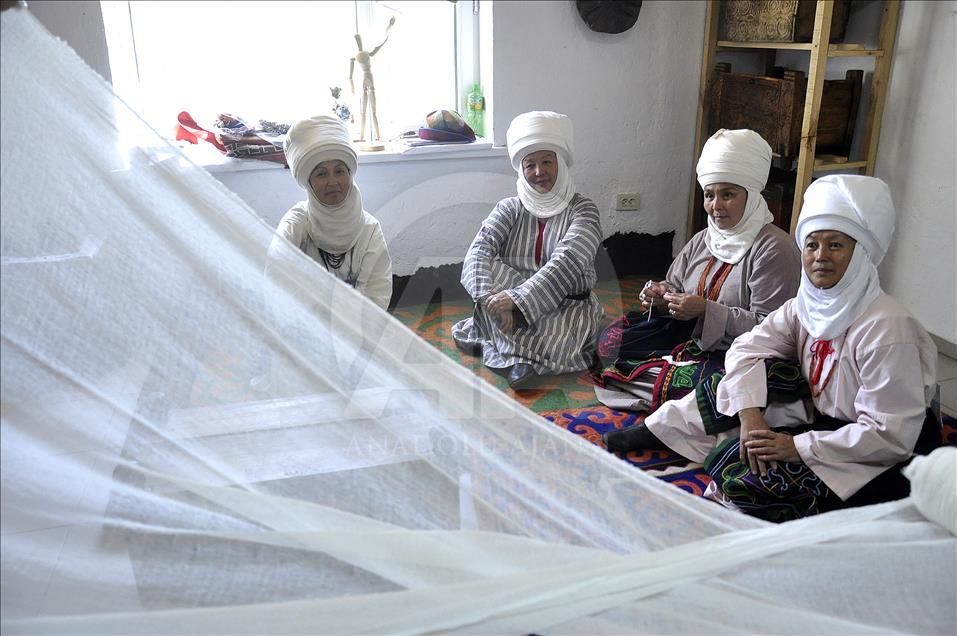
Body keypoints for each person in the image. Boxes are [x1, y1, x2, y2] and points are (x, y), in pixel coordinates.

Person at [617, 175, 940, 522]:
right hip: (825, 422)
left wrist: (796, 447)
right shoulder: (805, 306)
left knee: (750, 480)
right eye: (812, 245)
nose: (820, 257)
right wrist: (751, 417)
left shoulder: (887, 328)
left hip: (883, 452)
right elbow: (745, 349)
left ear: (861, 253)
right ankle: (661, 430)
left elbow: (890, 434)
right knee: (736, 386)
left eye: (836, 245)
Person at [600, 129, 801, 441]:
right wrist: (659, 295)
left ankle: (682, 410)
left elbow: (771, 328)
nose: (715, 206)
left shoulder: (775, 249)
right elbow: (673, 283)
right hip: (688, 336)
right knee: (610, 341)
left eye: (728, 194)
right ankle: (686, 404)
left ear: (751, 194)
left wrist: (706, 310)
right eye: (709, 195)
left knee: (714, 384)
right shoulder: (703, 239)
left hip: (741, 354)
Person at [451, 111, 604, 390]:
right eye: (529, 164)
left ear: (562, 164)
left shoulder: (584, 210)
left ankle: (508, 355)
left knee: (559, 340)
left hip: (566, 306)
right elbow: (479, 251)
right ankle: (509, 349)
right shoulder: (509, 208)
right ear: (520, 169)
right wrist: (491, 299)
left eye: (547, 161)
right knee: (490, 267)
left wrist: (518, 300)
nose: (538, 172)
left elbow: (567, 262)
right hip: (506, 303)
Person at [266, 115, 392, 310]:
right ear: (308, 181)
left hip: (356, 329)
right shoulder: (295, 225)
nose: (333, 182)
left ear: (350, 174)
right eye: (321, 174)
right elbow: (276, 285)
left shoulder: (369, 230)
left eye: (340, 171)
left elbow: (376, 296)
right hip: (304, 327)